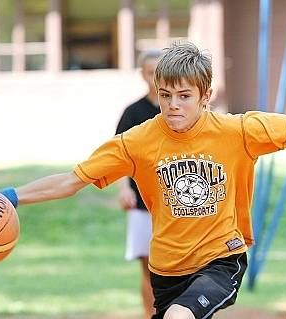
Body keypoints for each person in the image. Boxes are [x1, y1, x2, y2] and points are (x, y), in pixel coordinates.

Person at [0, 42, 286, 319]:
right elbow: (71, 180)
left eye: (185, 96)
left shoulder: (237, 130)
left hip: (221, 258)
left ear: (206, 96)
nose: (173, 105)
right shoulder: (138, 140)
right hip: (166, 269)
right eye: (166, 95)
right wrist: (11, 196)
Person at [115, 49, 162, 319]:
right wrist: (123, 189)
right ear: (142, 74)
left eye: (158, 71)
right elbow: (119, 157)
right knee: (148, 268)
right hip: (143, 206)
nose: (154, 77)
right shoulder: (133, 113)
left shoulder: (178, 111)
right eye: (149, 72)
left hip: (176, 205)